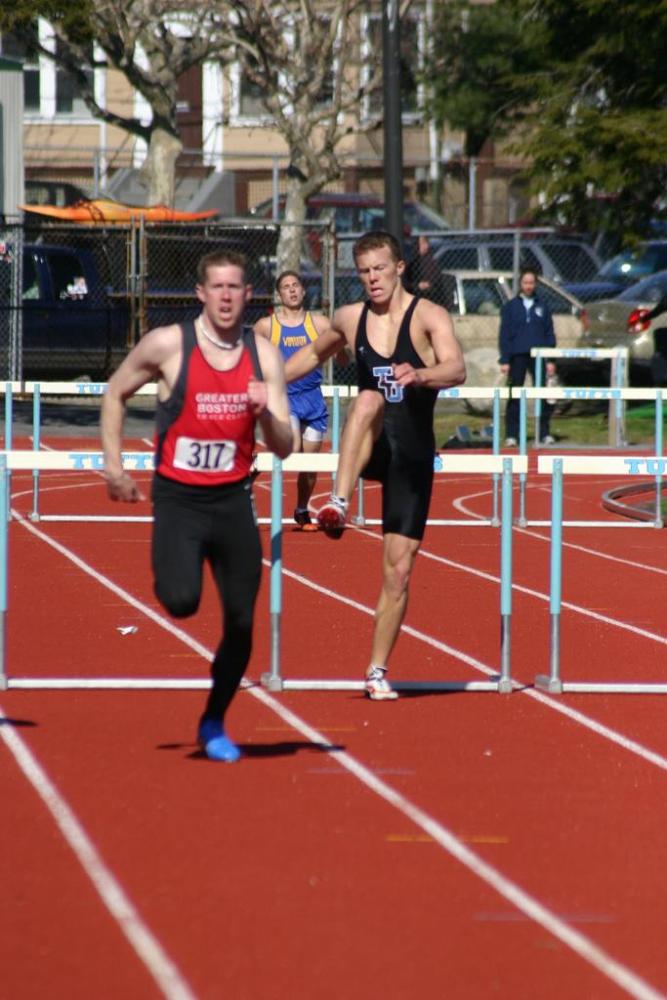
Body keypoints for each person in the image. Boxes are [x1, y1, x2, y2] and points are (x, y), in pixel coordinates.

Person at [100, 249, 293, 762]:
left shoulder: (264, 355)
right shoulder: (169, 345)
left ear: (248, 295)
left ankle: (214, 719)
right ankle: (176, 569)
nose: (227, 297)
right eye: (218, 288)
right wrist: (115, 466)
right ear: (201, 294)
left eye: (236, 288)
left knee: (242, 623)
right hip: (179, 499)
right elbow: (115, 393)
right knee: (181, 601)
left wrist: (264, 413)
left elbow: (285, 444)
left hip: (233, 499)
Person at [284, 230, 466, 701]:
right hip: (372, 443)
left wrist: (421, 374)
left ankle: (375, 671)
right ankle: (339, 501)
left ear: (400, 267)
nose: (372, 279)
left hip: (413, 453)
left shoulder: (429, 316)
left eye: (379, 269)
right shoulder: (349, 318)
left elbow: (457, 368)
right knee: (366, 398)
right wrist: (260, 381)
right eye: (363, 272)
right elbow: (309, 355)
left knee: (398, 571)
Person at [254, 270, 339, 531]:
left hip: (313, 399)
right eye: (286, 287)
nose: (291, 290)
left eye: (295, 285)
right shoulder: (267, 326)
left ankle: (302, 510)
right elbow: (248, 354)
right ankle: (253, 467)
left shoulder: (321, 324)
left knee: (310, 465)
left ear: (303, 291)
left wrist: (343, 351)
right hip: (284, 398)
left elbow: (342, 349)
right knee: (289, 447)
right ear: (279, 295)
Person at [499, 267, 556, 446]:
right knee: (514, 393)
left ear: (535, 284)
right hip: (517, 355)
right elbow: (505, 334)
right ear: (520, 284)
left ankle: (544, 433)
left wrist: (551, 359)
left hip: (539, 356)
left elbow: (549, 333)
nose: (528, 286)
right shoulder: (510, 307)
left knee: (542, 394)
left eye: (531, 283)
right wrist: (505, 359)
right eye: (525, 283)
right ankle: (512, 435)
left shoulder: (543, 306)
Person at [405, 235, 447, 306]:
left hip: (431, 296)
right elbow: (406, 282)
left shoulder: (430, 262)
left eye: (425, 244)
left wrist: (426, 284)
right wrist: (417, 286)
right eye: (421, 244)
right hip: (414, 294)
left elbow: (435, 282)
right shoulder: (412, 261)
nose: (425, 246)